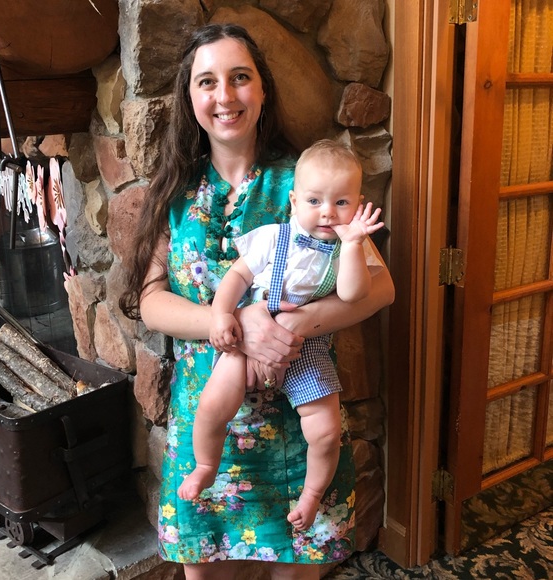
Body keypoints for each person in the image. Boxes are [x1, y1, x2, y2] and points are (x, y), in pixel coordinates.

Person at [120, 23, 395, 580]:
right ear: (190, 96)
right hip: (206, 424)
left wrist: (293, 323)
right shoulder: (172, 192)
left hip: (298, 424)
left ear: (263, 88)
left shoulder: (308, 182)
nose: (225, 95)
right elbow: (151, 303)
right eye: (207, 81)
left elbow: (381, 287)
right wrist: (233, 323)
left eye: (240, 77)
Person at [178, 140, 385, 534]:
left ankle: (311, 494)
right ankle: (205, 464)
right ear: (294, 201)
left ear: (358, 205)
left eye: (341, 202)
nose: (327, 211)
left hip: (307, 349)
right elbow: (237, 276)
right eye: (314, 200)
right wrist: (222, 315)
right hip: (247, 339)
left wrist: (354, 245)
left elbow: (353, 294)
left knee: (325, 431)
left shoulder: (349, 249)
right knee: (214, 403)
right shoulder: (274, 237)